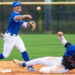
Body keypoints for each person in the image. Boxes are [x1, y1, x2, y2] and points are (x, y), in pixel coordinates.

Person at [0, 1, 35, 71]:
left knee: (23, 49)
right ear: (14, 8)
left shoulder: (19, 16)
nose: (19, 7)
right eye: (17, 6)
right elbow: (17, 18)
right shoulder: (13, 15)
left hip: (16, 37)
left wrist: (29, 24)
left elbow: (24, 24)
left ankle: (29, 67)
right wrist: (25, 15)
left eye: (20, 6)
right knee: (5, 55)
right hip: (10, 37)